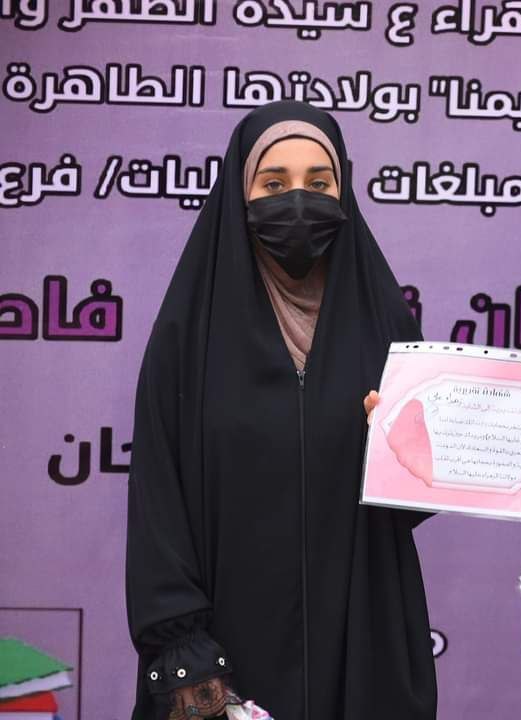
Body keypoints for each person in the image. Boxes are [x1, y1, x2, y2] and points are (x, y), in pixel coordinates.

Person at [126, 101, 436, 720]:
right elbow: (157, 497)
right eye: (273, 184)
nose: (298, 201)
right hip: (224, 656)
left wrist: (409, 452)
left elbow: (415, 503)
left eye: (319, 184)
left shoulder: (384, 326)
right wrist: (183, 650)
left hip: (363, 646)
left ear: (344, 191)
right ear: (239, 194)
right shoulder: (189, 336)